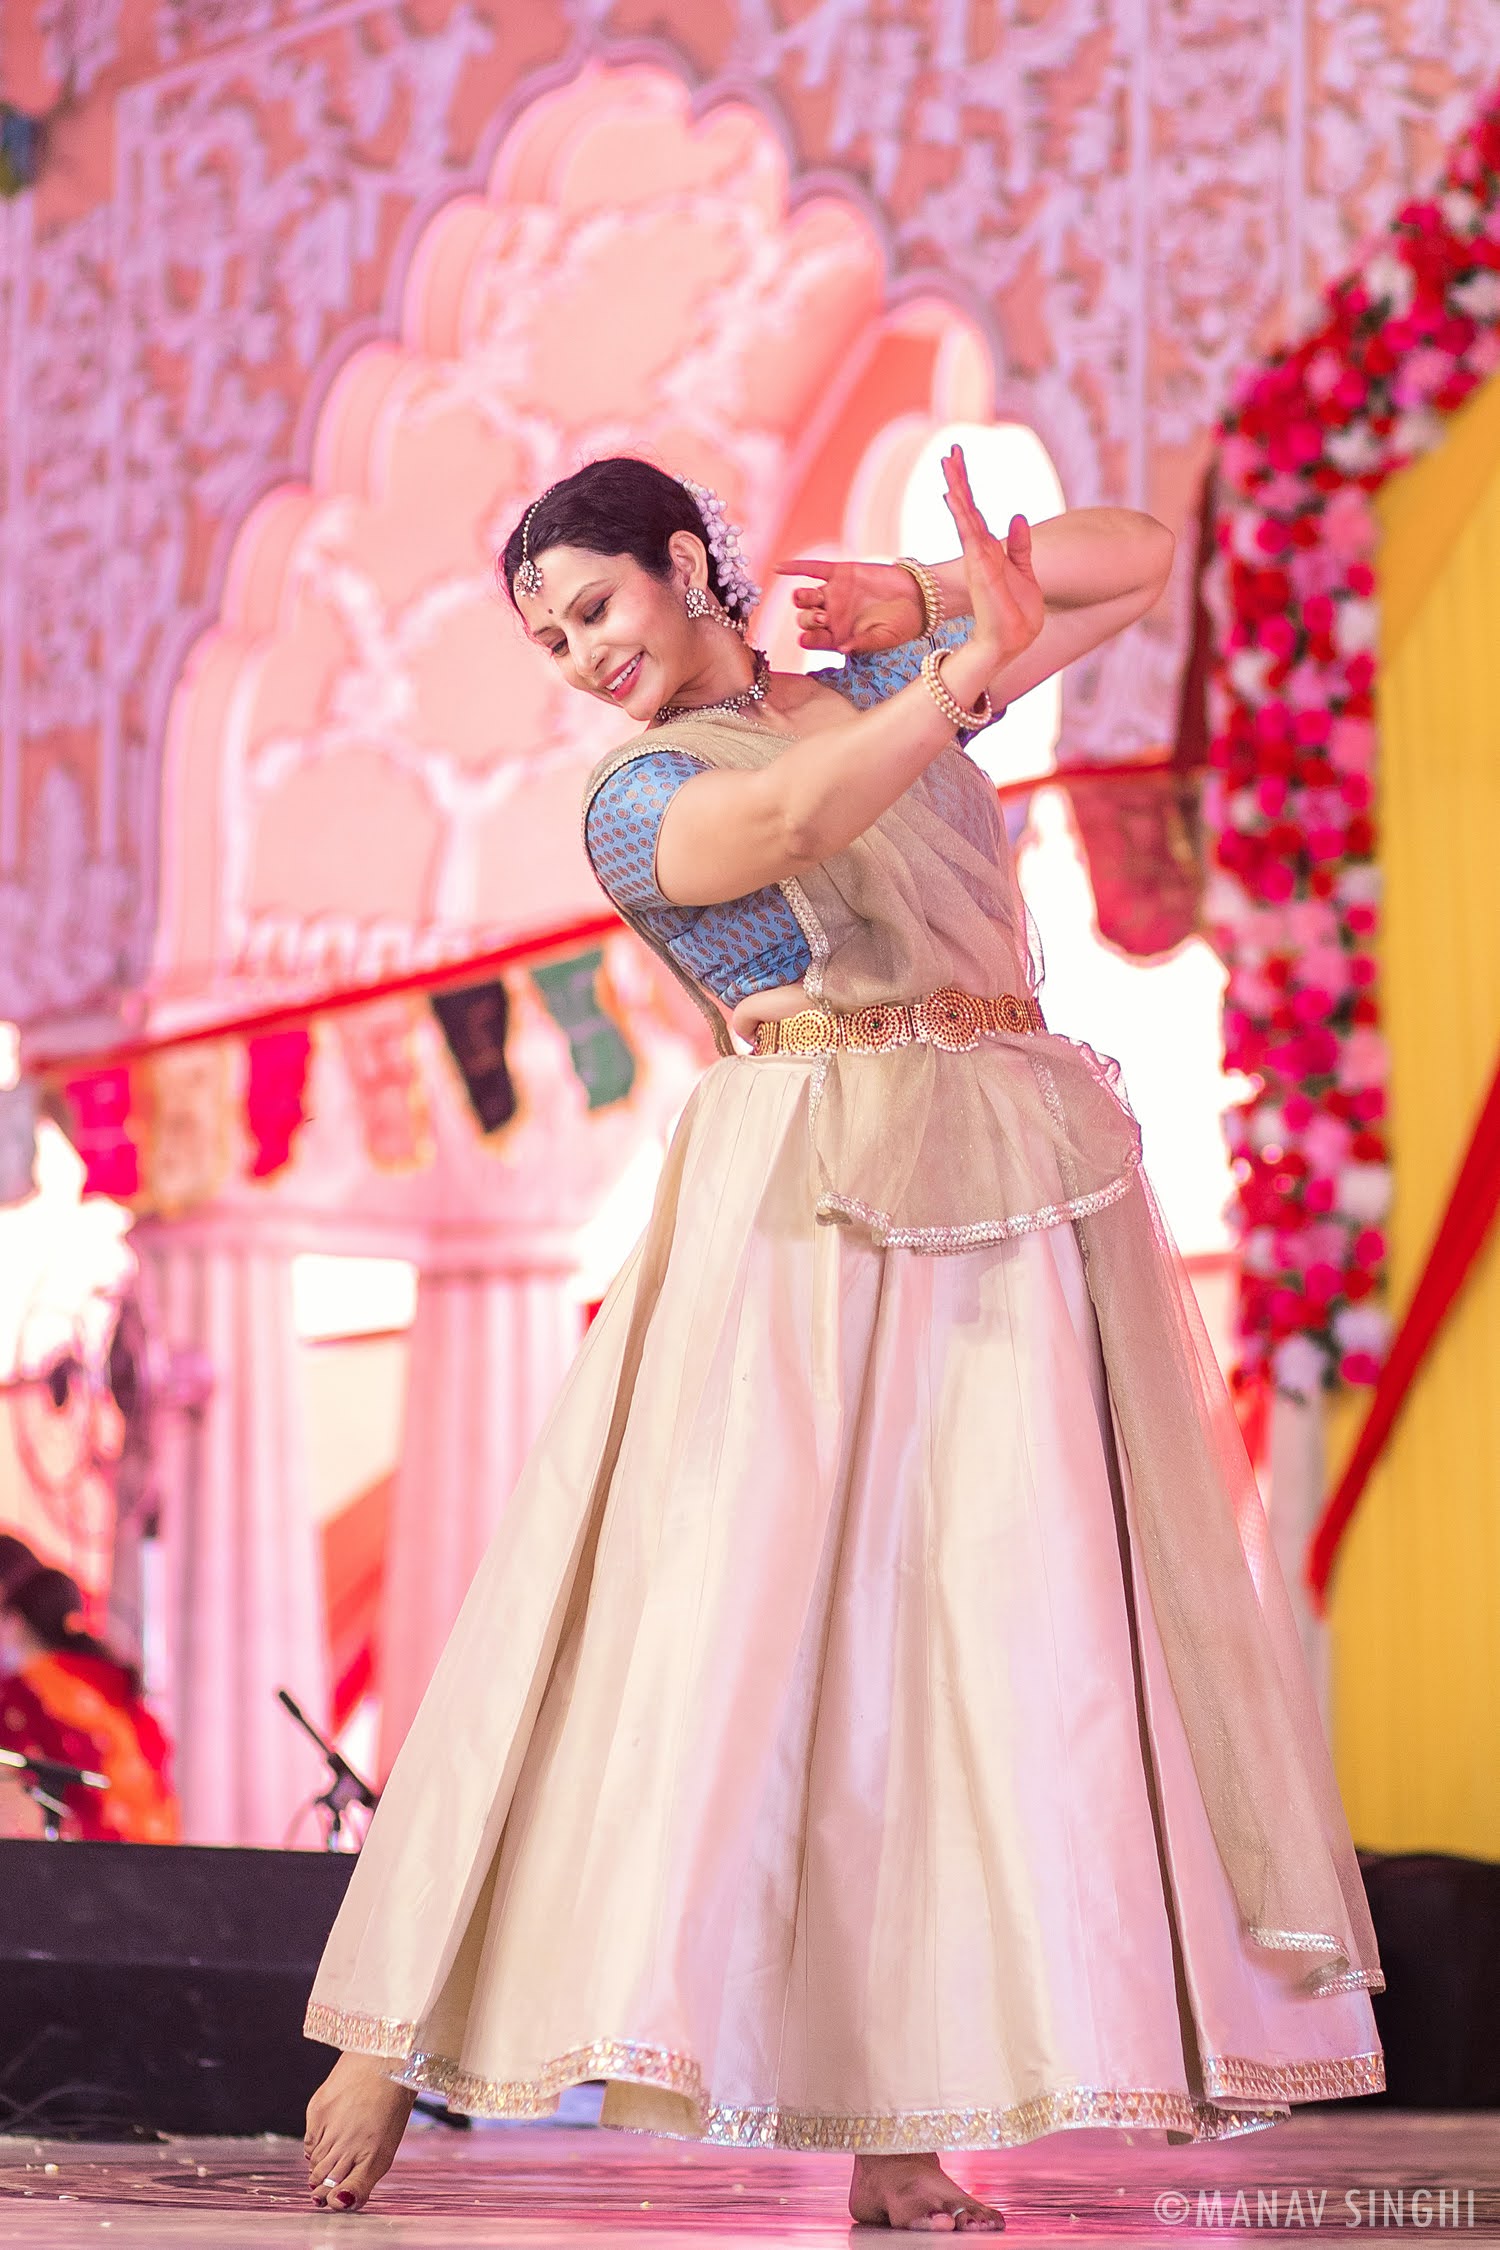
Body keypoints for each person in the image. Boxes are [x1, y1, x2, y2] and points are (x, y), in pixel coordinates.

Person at [303, 450, 1384, 2228]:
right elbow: (795, 825)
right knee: (706, 1635)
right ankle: (388, 2032)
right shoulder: (639, 797)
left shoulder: (865, 670)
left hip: (1008, 1193)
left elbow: (1137, 558)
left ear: (681, 561)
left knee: (967, 1641)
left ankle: (899, 2141)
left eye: (597, 605)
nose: (582, 653)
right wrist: (957, 678)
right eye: (552, 637)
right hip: (805, 1219)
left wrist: (924, 595)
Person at [0, 1534, 179, 1844]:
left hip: (76, 1871)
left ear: (14, 1622)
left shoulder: (19, 1695)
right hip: (155, 1862)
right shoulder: (114, 1685)